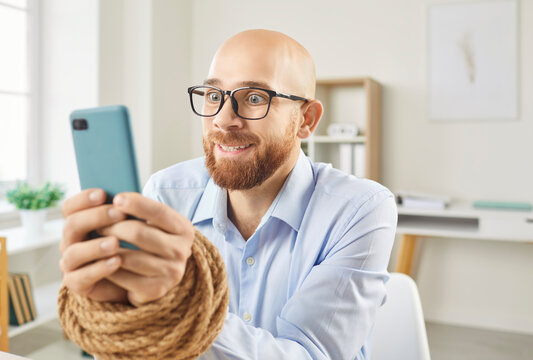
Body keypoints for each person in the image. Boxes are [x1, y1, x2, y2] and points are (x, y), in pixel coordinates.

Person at [59, 29, 397, 359]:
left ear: (306, 119)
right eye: (213, 95)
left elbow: (313, 354)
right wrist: (113, 306)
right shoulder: (166, 192)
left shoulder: (360, 209)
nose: (222, 120)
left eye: (254, 98)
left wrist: (180, 307)